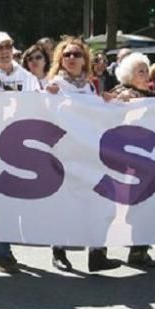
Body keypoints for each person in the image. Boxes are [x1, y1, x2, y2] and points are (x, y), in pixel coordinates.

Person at [45, 37, 121, 272]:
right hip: (65, 153)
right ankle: (59, 251)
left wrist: (106, 101)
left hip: (91, 153)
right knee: (66, 204)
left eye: (76, 54)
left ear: (84, 59)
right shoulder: (55, 85)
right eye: (66, 55)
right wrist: (46, 94)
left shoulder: (90, 86)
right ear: (60, 59)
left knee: (100, 201)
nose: (71, 58)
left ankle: (97, 253)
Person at [0, 31, 42, 274]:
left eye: (8, 46)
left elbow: (38, 105)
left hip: (20, 145)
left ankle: (3, 246)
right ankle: (0, 251)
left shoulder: (27, 77)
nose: (4, 51)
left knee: (12, 200)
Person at [108, 53, 155, 268]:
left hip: (149, 163)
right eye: (140, 70)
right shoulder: (119, 94)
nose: (145, 74)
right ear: (129, 75)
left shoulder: (154, 97)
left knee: (147, 206)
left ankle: (139, 250)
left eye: (146, 70)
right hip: (122, 161)